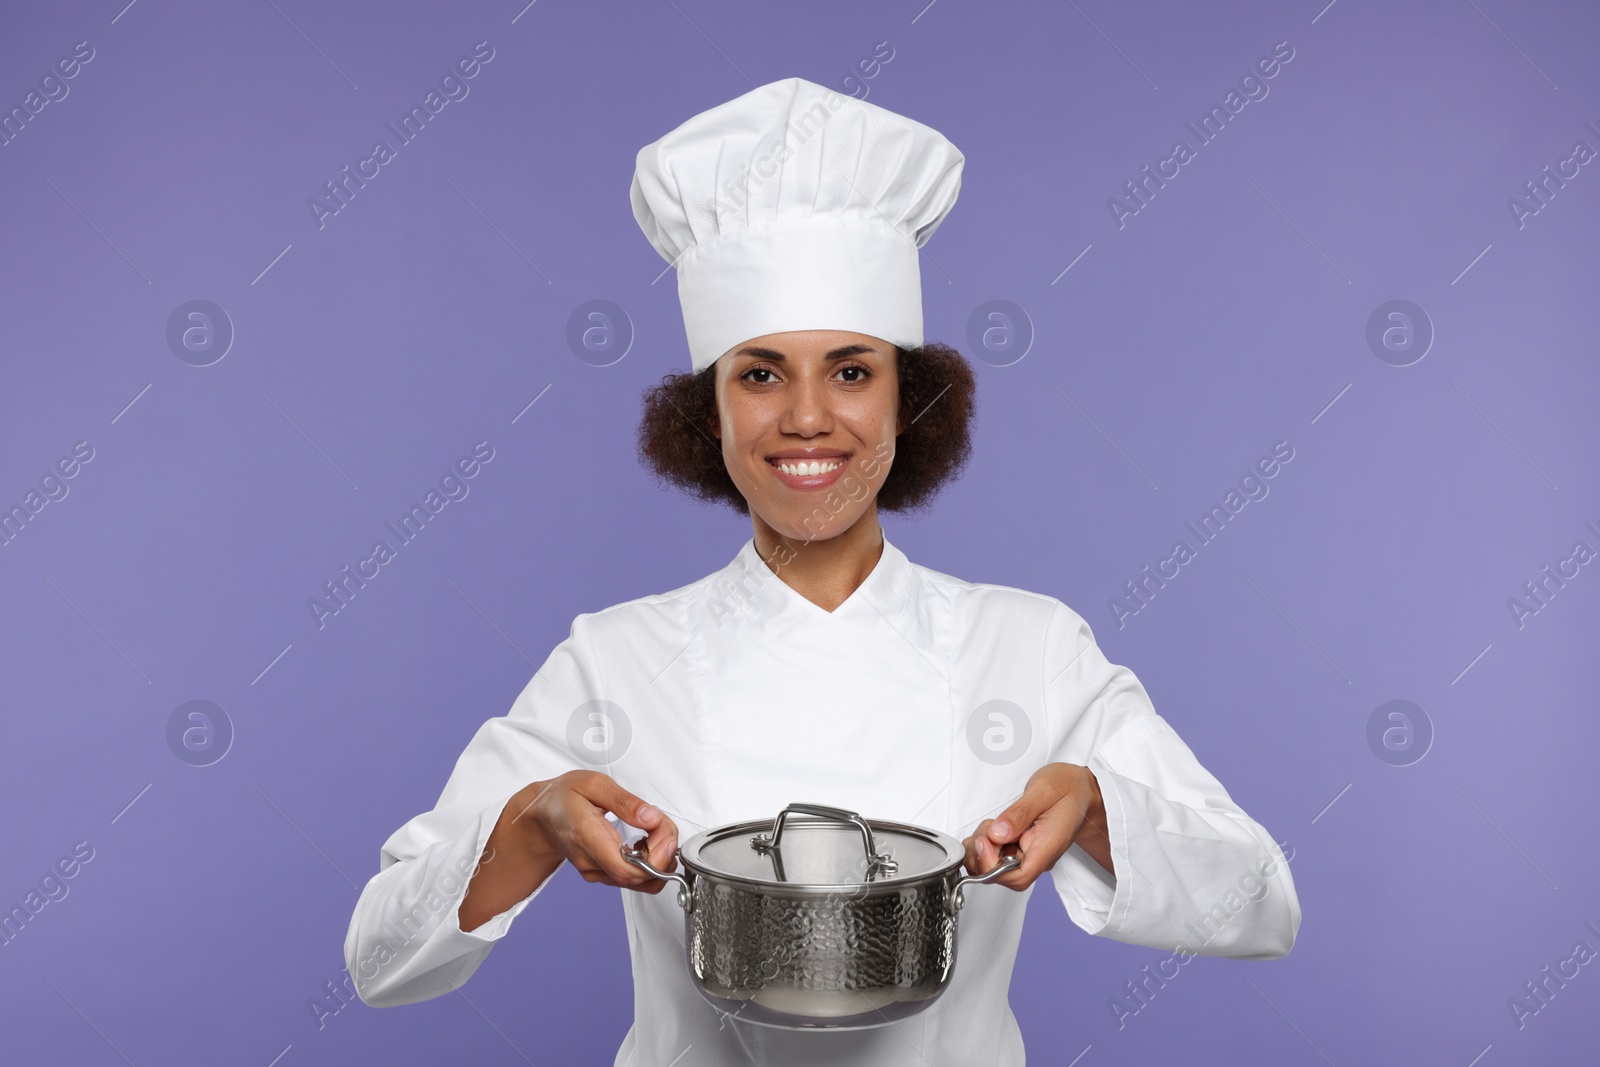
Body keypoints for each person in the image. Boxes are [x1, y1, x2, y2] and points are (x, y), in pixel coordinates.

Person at [343, 77, 1300, 1065]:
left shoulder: (1031, 648)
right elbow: (381, 954)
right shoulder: (616, 659)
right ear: (707, 412)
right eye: (758, 373)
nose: (806, 417)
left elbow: (1261, 902)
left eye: (851, 370)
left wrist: (1101, 810)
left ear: (905, 398)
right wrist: (531, 826)